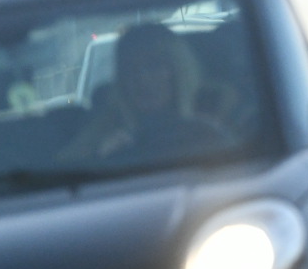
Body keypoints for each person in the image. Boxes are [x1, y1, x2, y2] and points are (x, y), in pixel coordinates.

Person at [63, 23, 229, 164]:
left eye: (154, 66)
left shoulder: (222, 110)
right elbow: (70, 175)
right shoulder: (104, 128)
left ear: (179, 69)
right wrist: (101, 159)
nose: (142, 79)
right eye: (130, 69)